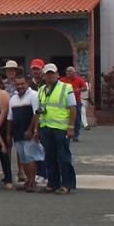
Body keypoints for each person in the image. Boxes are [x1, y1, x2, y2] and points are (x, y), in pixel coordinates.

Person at [36, 64, 78, 194]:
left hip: (61, 128)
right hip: (45, 127)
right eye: (47, 73)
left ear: (57, 74)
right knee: (49, 157)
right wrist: (36, 130)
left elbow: (73, 108)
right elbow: (38, 111)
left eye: (52, 73)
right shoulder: (41, 89)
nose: (50, 75)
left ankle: (67, 184)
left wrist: (71, 127)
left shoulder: (66, 88)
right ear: (43, 75)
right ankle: (53, 183)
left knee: (64, 157)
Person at [6, 75, 44, 193]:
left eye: (22, 84)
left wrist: (31, 130)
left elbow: (36, 114)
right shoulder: (13, 99)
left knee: (30, 156)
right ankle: (28, 180)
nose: (20, 86)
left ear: (27, 83)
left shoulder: (34, 95)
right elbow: (10, 118)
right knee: (23, 158)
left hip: (29, 133)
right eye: (17, 84)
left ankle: (32, 182)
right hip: (17, 133)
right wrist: (8, 134)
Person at [61, 66, 88, 141]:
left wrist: (79, 89)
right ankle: (66, 133)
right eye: (67, 71)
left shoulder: (79, 80)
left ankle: (75, 135)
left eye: (70, 71)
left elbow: (85, 88)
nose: (68, 73)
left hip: (76, 103)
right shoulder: (62, 80)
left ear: (74, 72)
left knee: (77, 119)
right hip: (64, 103)